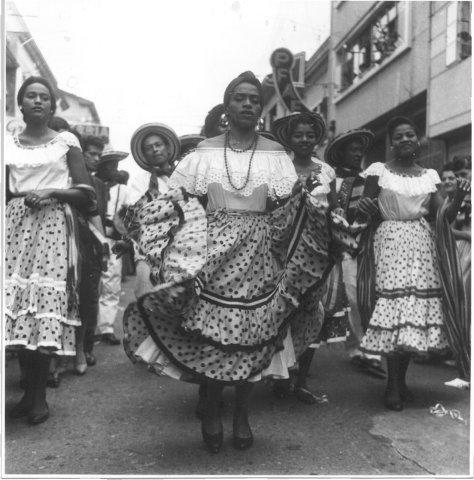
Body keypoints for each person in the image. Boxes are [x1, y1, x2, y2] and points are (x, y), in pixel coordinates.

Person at [122, 72, 334, 453]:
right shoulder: (202, 151)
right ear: (228, 105)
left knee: (254, 333)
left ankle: (241, 414)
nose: (249, 104)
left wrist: (308, 203)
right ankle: (212, 409)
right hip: (211, 250)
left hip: (260, 250)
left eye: (255, 98)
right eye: (240, 98)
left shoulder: (275, 153)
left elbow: (285, 205)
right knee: (211, 331)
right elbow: (178, 202)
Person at [358, 116, 470, 411]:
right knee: (395, 310)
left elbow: (442, 217)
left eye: (411, 134)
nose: (406, 139)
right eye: (399, 136)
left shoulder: (429, 175)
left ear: (418, 139)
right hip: (390, 241)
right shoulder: (378, 171)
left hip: (421, 245)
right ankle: (392, 385)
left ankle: (400, 381)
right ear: (391, 142)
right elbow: (364, 210)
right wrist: (364, 208)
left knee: (411, 311)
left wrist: (458, 195)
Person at [5, 76, 95, 424]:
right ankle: (29, 391)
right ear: (21, 103)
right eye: (31, 96)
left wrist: (53, 193)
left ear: (52, 105)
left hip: (52, 226)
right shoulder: (8, 143)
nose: (38, 101)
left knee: (43, 308)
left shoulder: (65, 142)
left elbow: (86, 192)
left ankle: (39, 396)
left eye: (45, 97)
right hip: (13, 226)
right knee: (18, 310)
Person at [271, 111, 343, 404]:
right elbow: (271, 206)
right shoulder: (279, 168)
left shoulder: (327, 170)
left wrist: (336, 243)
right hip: (284, 251)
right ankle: (277, 376)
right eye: (298, 135)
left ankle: (300, 381)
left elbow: (335, 210)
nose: (304, 140)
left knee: (313, 312)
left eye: (310, 135)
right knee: (281, 313)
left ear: (317, 139)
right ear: (289, 138)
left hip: (317, 251)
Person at [324, 129, 385, 379]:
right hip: (330, 247)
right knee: (330, 302)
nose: (358, 154)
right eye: (353, 149)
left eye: (361, 150)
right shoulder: (330, 181)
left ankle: (367, 352)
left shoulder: (368, 181)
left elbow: (377, 214)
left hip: (359, 247)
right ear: (341, 153)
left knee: (359, 298)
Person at [114, 123, 181, 299]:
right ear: (144, 154)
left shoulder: (184, 175)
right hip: (149, 250)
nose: (154, 150)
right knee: (147, 298)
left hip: (182, 248)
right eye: (148, 148)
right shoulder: (140, 181)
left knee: (180, 300)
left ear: (167, 147)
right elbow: (137, 214)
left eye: (158, 145)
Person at [95, 149, 129, 345]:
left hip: (113, 239)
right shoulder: (93, 184)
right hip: (93, 237)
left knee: (112, 282)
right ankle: (91, 326)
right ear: (101, 167)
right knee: (92, 282)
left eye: (116, 166)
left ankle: (106, 327)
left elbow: (128, 215)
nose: (114, 170)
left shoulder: (122, 191)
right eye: (109, 166)